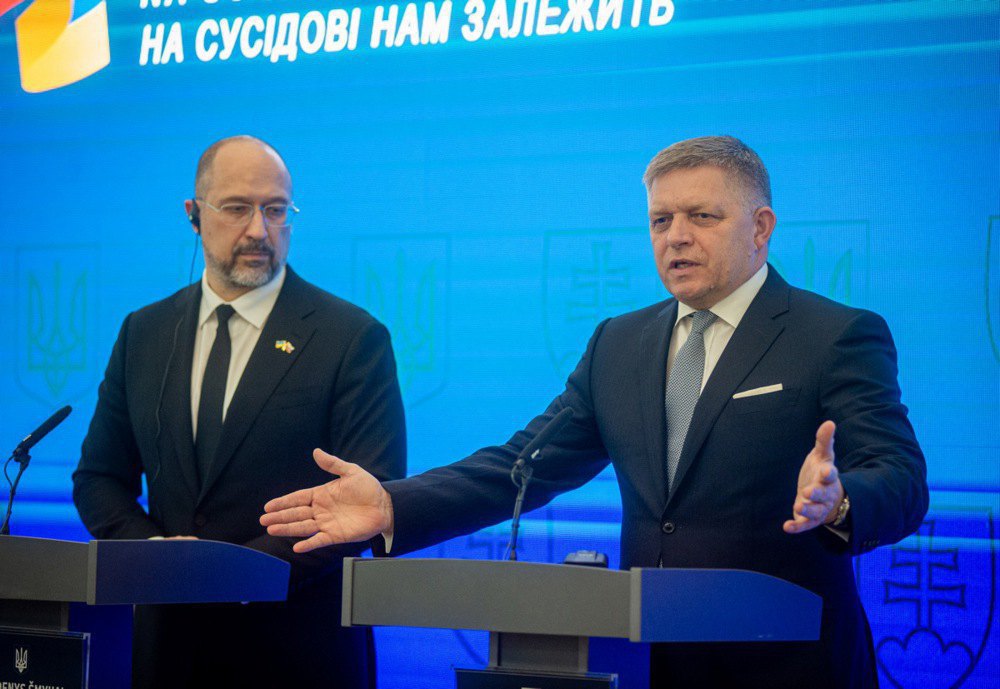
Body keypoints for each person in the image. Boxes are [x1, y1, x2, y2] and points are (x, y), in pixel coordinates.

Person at [260, 135, 927, 688]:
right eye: (661, 220)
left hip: (788, 666)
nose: (678, 237)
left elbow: (900, 475)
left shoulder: (833, 334)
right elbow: (520, 466)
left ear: (761, 227)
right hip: (645, 667)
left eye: (703, 216)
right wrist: (394, 506)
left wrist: (838, 503)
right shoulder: (621, 343)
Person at [73, 135, 406, 689]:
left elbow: (369, 496)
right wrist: (156, 558)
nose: (259, 230)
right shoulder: (145, 333)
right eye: (236, 208)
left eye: (276, 210)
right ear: (194, 216)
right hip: (167, 652)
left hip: (299, 653)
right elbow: (99, 479)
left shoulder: (351, 338)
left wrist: (225, 575)